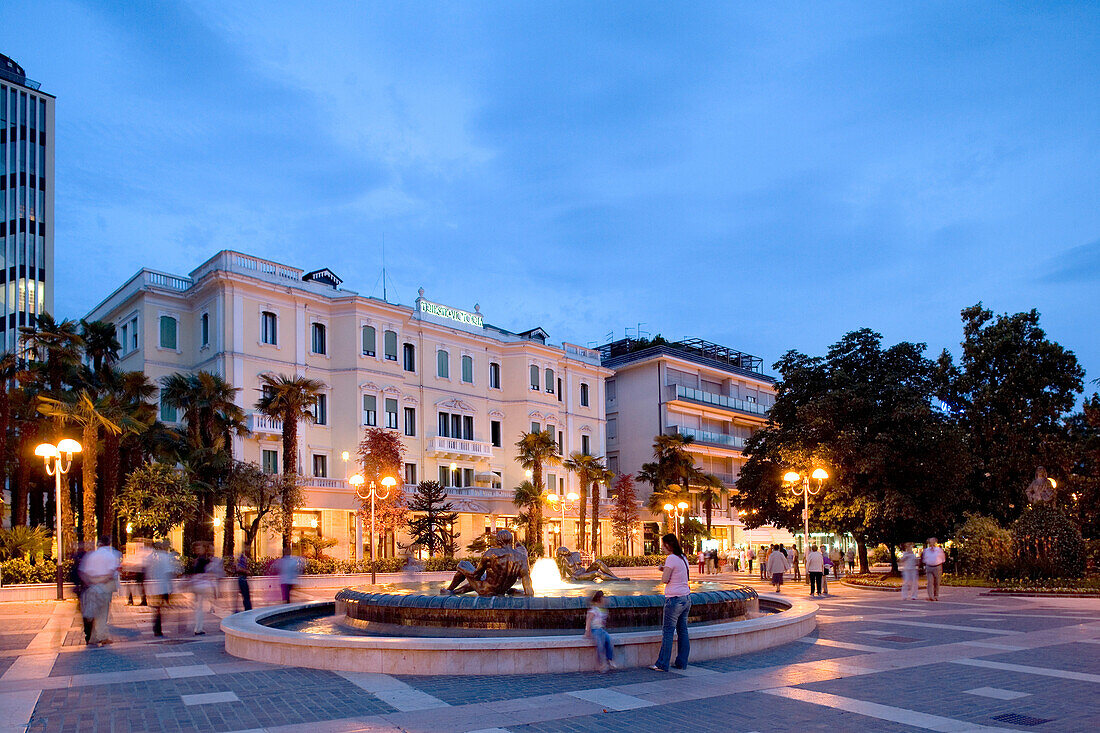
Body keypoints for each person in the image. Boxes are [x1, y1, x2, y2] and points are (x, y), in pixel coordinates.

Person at [649, 533, 691, 672]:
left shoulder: (671, 558)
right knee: (683, 631)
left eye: (663, 544)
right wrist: (664, 568)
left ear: (668, 545)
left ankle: (662, 663)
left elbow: (665, 579)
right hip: (686, 598)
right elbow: (679, 573)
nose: (662, 547)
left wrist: (664, 571)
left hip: (674, 599)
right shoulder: (682, 557)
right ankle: (681, 662)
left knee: (668, 631)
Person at [79, 536, 121, 646]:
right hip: (105, 585)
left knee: (95, 612)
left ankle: (93, 637)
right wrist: (102, 581)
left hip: (92, 585)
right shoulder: (110, 555)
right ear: (109, 543)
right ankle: (102, 636)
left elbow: (84, 572)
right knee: (102, 613)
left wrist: (92, 582)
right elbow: (112, 571)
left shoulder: (91, 555)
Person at [146, 540, 180, 637]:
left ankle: (156, 628)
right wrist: (171, 586)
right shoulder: (165, 557)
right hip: (163, 586)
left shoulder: (152, 557)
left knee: (158, 608)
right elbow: (168, 572)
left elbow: (148, 572)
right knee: (163, 608)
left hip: (154, 587)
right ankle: (158, 628)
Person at [186, 542, 220, 635]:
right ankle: (198, 628)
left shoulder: (200, 560)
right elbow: (208, 573)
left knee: (199, 607)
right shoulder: (201, 560)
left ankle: (198, 628)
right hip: (201, 586)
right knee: (199, 607)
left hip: (199, 586)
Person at [584, 590, 616, 672]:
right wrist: (587, 631)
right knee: (600, 644)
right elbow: (588, 620)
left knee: (610, 641)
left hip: (601, 630)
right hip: (595, 630)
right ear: (599, 599)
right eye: (603, 598)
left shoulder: (602, 609)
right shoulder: (593, 609)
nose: (605, 599)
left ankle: (609, 659)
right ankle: (602, 664)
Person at [70, 541, 92, 643]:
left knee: (84, 609)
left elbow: (73, 573)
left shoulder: (76, 558)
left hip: (81, 588)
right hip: (87, 587)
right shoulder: (87, 557)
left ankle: (87, 632)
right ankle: (89, 630)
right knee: (89, 608)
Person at [121, 538, 151, 606]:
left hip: (139, 571)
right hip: (137, 570)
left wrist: (130, 564)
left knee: (133, 585)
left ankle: (134, 600)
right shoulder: (142, 552)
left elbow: (139, 562)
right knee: (135, 586)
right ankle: (133, 600)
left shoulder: (143, 552)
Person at [921, 537, 946, 601]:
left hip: (937, 567)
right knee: (930, 582)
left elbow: (943, 558)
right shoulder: (926, 550)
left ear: (935, 542)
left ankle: (936, 595)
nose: (931, 543)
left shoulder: (939, 550)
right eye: (930, 542)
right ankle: (931, 596)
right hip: (929, 567)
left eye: (933, 542)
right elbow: (924, 558)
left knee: (937, 582)